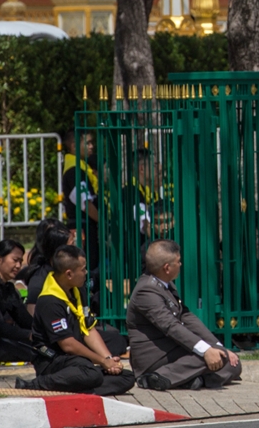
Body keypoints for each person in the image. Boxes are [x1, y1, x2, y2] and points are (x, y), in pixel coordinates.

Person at [17, 245, 133, 395]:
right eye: (83, 269)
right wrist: (101, 361)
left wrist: (109, 360)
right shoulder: (50, 301)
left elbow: (88, 328)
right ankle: (35, 385)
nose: (86, 273)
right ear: (69, 274)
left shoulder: (78, 290)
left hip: (76, 361)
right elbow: (68, 345)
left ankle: (74, 387)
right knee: (91, 373)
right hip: (54, 361)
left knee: (126, 377)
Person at [127, 240, 242, 390]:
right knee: (212, 356)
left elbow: (186, 317)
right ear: (167, 268)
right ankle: (157, 377)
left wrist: (218, 346)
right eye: (178, 262)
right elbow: (171, 326)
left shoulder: (166, 284)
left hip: (174, 352)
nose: (180, 265)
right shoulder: (146, 291)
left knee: (233, 364)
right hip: (155, 358)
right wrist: (207, 350)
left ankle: (195, 379)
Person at [61, 129, 101, 274]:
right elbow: (85, 203)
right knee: (86, 267)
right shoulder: (74, 171)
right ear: (74, 146)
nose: (91, 147)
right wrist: (102, 221)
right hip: (82, 227)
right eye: (88, 143)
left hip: (86, 226)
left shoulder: (81, 167)